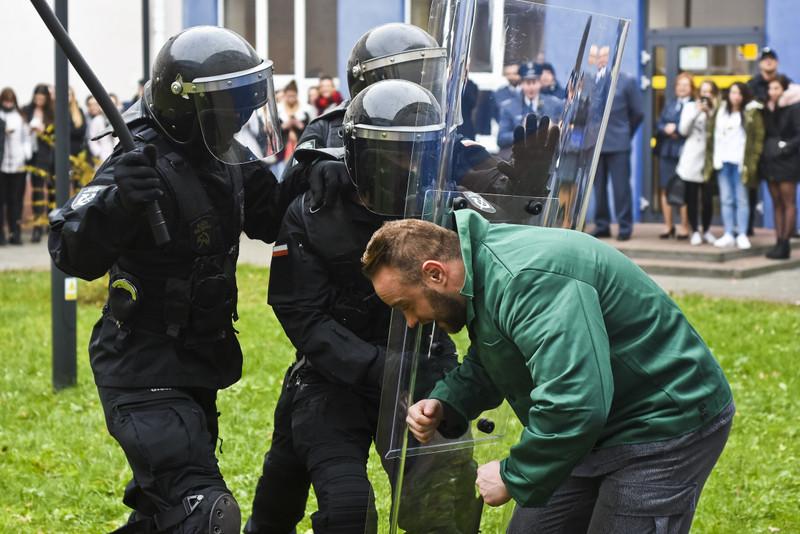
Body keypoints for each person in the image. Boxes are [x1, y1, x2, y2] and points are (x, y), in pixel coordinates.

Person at [47, 26, 345, 534]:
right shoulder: (135, 161)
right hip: (142, 368)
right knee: (205, 513)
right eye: (231, 108)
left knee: (165, 513)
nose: (243, 119)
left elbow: (269, 216)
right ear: (190, 110)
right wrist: (117, 204)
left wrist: (312, 166)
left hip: (197, 362)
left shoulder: (221, 153)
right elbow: (70, 252)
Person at [361, 211, 734, 533]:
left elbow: (576, 403)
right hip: (587, 428)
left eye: (406, 305)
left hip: (663, 422)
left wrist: (512, 476)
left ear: (435, 273)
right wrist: (446, 402)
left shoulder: (524, 280)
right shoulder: (480, 273)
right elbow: (498, 353)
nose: (410, 321)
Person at [245, 78, 481, 534]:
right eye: (398, 153)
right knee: (348, 508)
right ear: (362, 155)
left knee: (442, 512)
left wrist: (521, 179)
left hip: (423, 375)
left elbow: (487, 270)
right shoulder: (315, 210)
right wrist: (380, 366)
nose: (410, 165)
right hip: (334, 381)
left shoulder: (442, 208)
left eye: (421, 151)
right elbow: (302, 314)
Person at [704, 81, 764, 250]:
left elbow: (758, 138)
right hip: (723, 162)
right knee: (726, 199)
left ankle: (742, 233)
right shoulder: (721, 111)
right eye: (732, 92)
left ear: (744, 95)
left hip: (740, 164)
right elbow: (713, 135)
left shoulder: (751, 112)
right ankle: (729, 233)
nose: (735, 96)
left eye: (738, 93)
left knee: (742, 199)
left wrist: (753, 162)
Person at [590, 71, 643, 241]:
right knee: (598, 189)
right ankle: (602, 225)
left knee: (621, 188)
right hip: (595, 143)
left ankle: (625, 227)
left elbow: (638, 112)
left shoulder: (627, 81)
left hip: (618, 143)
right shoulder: (589, 80)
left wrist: (625, 133)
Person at [759, 75, 800, 259]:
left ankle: (785, 243)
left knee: (788, 202)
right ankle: (778, 242)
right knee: (776, 203)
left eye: (776, 88)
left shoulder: (794, 107)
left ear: (784, 89)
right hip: (771, 160)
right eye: (770, 89)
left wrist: (785, 147)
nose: (772, 92)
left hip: (787, 161)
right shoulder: (767, 108)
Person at [676, 79, 720, 245]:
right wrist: (697, 112)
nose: (705, 95)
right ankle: (694, 230)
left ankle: (706, 230)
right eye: (703, 92)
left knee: (707, 198)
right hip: (692, 158)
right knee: (691, 197)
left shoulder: (718, 109)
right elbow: (683, 130)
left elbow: (716, 132)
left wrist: (709, 114)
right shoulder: (690, 107)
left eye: (709, 92)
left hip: (708, 160)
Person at [497, 62, 563, 161]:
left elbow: (563, 134)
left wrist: (552, 127)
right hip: (518, 159)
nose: (531, 87)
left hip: (544, 159)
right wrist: (522, 132)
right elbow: (501, 139)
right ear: (521, 83)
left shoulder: (554, 104)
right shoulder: (509, 106)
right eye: (527, 83)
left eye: (534, 82)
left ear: (540, 82)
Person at [655, 72, 694, 240]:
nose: (682, 88)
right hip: (667, 150)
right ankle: (668, 226)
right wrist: (666, 128)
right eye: (679, 84)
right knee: (666, 187)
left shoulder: (694, 105)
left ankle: (684, 227)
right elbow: (659, 122)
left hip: (685, 151)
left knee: (684, 189)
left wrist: (676, 129)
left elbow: (691, 126)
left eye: (685, 85)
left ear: (691, 88)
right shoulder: (670, 104)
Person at [22, 83, 55, 243]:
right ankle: (36, 226)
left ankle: (50, 224)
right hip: (32, 154)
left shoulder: (52, 112)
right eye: (37, 98)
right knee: (37, 191)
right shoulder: (27, 110)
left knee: (51, 190)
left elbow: (56, 134)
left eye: (42, 99)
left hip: (47, 156)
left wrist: (46, 130)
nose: (39, 101)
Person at [0, 87, 32, 246]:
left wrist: (26, 154)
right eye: (5, 100)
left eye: (11, 101)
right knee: (1, 200)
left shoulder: (20, 117)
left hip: (18, 164)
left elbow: (26, 138)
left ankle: (15, 233)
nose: (8, 103)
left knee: (15, 200)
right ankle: (1, 235)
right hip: (2, 164)